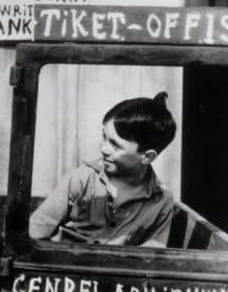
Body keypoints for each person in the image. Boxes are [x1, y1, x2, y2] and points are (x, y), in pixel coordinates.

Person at [28, 92, 177, 247]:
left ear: (147, 157)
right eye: (104, 137)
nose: (103, 148)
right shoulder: (81, 179)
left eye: (116, 145)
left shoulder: (162, 201)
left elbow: (151, 255)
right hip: (63, 260)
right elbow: (35, 233)